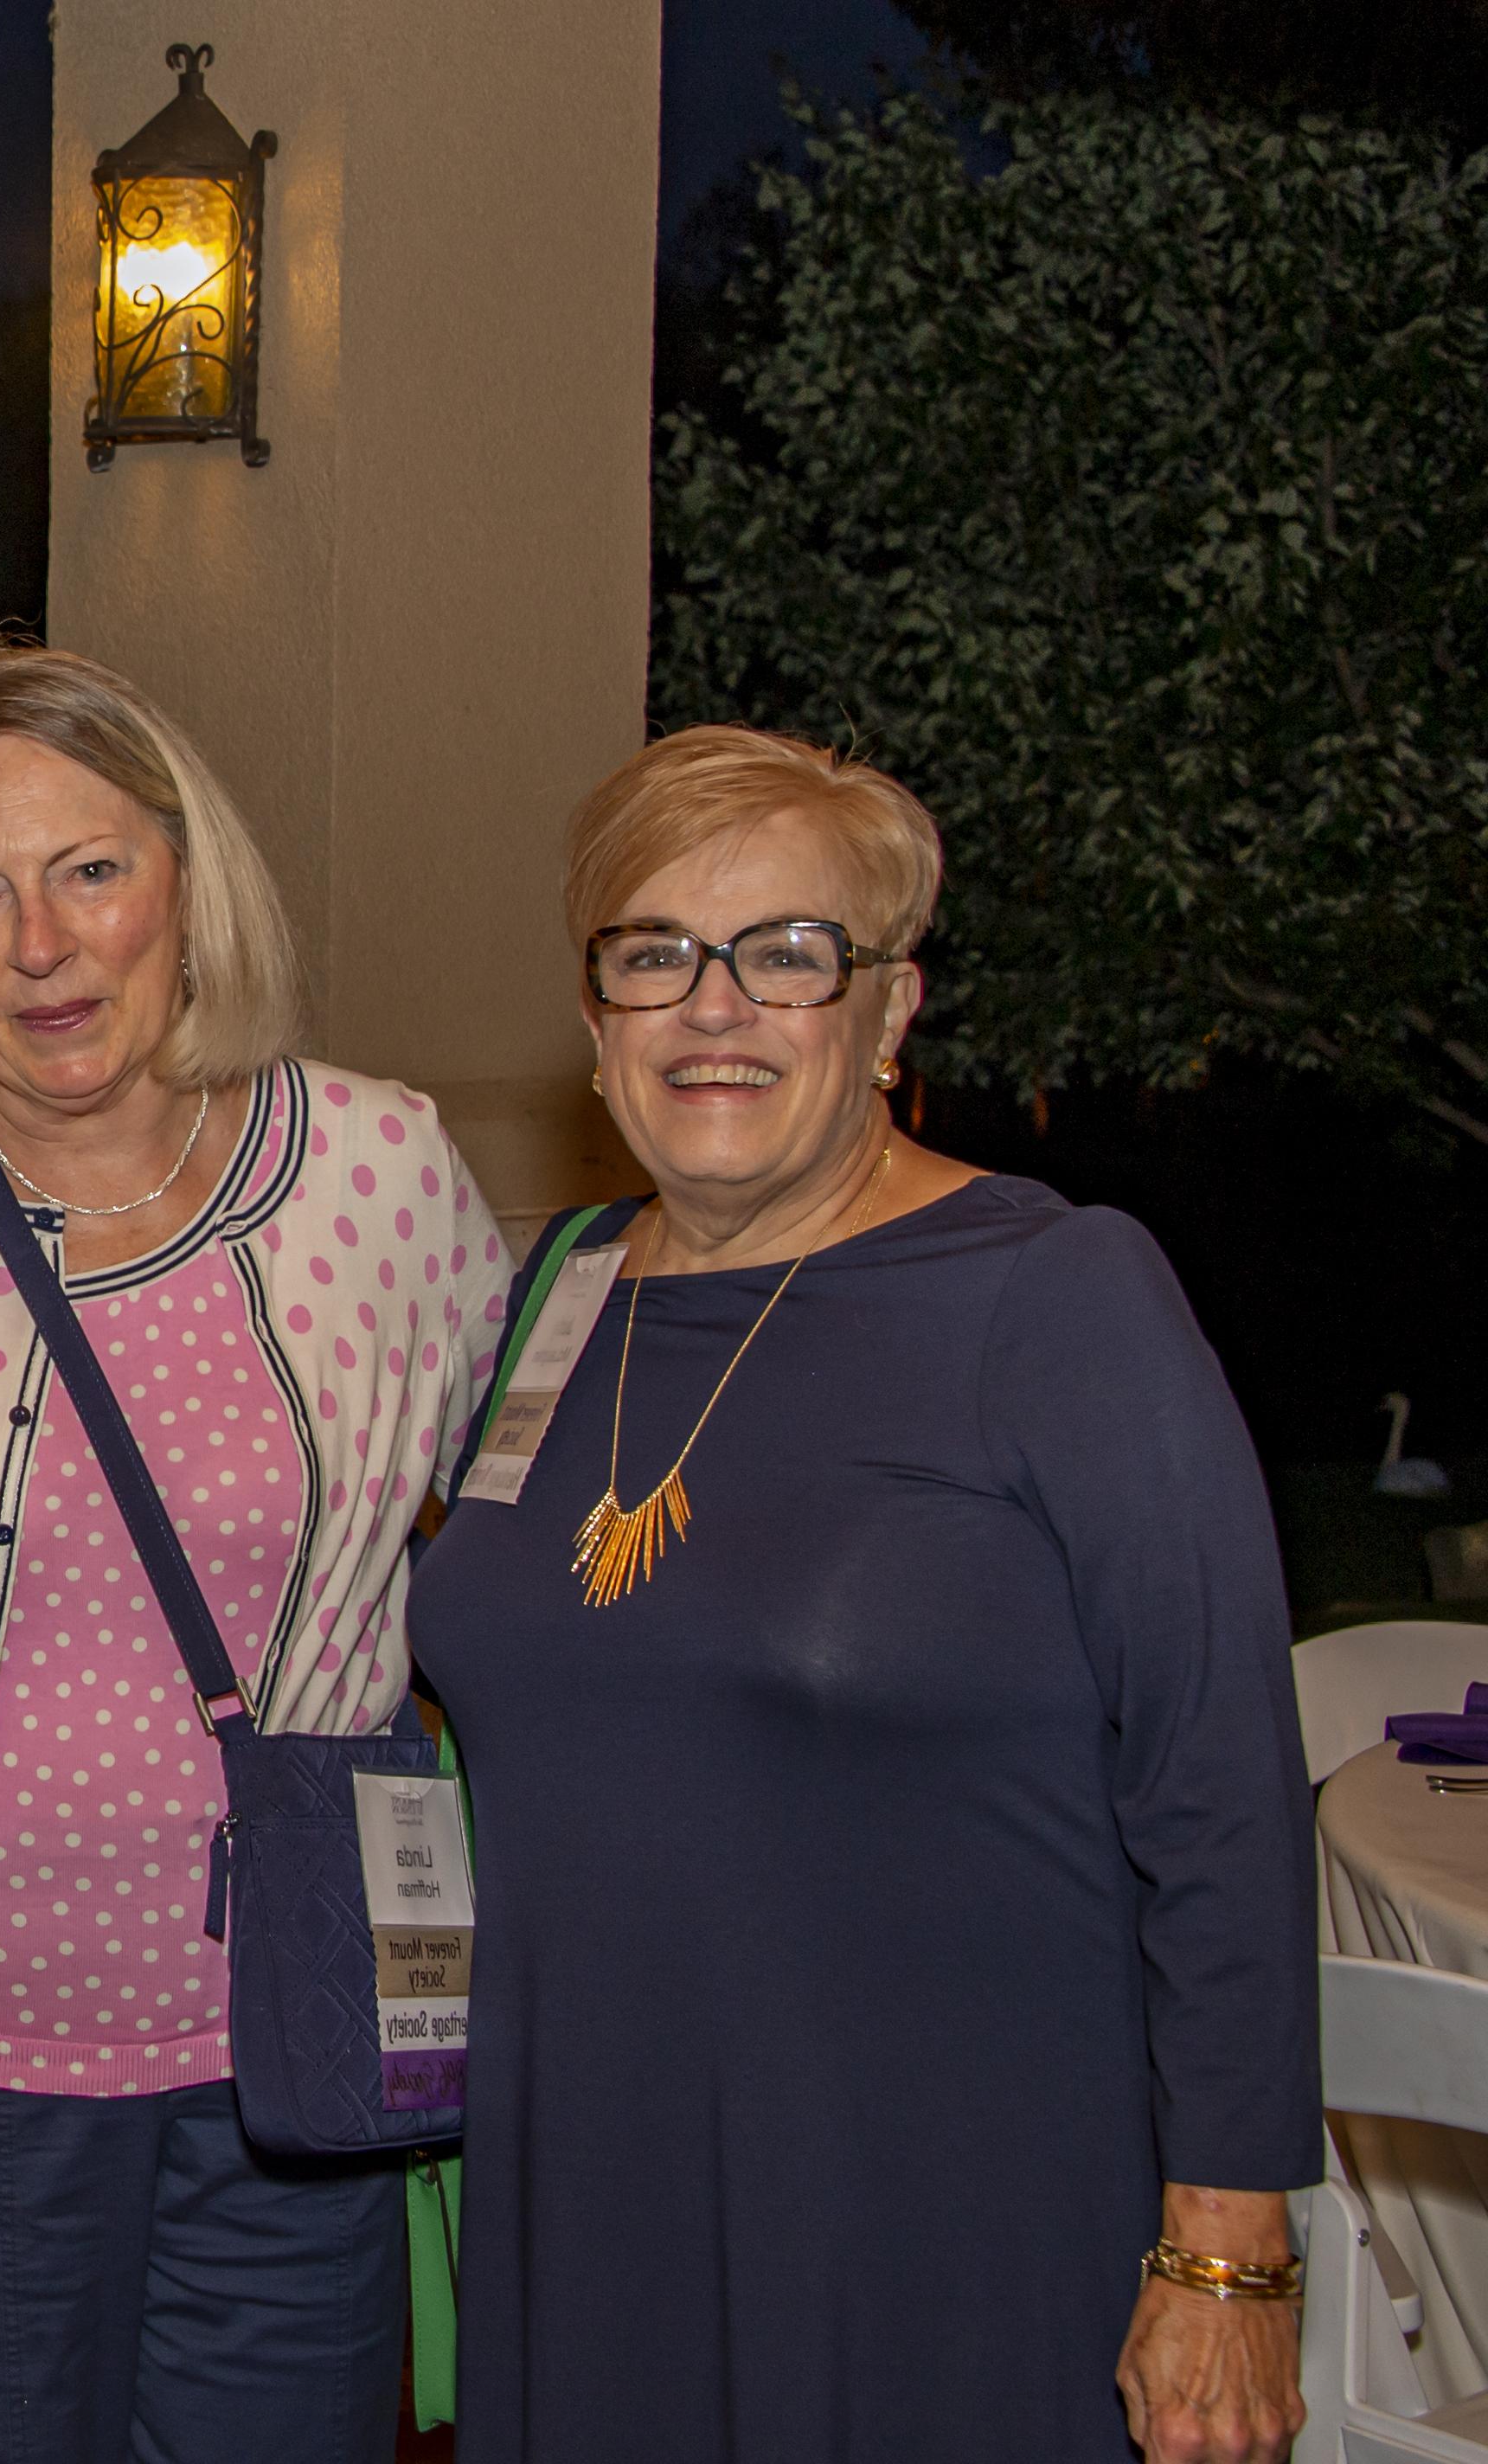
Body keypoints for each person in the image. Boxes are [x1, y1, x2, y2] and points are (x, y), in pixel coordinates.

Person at [407, 726, 1317, 2464]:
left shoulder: (1051, 1296)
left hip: (940, 2208)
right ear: (595, 1022)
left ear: (886, 1009)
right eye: (652, 951)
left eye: (787, 954)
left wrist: (1225, 2245)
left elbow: (1217, 1785)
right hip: (586, 2180)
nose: (713, 1004)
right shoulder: (555, 1297)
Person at [0, 640, 510, 2461]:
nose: (41, 944)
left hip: (293, 2060)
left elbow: (507, 1559)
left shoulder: (382, 1176)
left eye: (89, 869)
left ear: (182, 872)